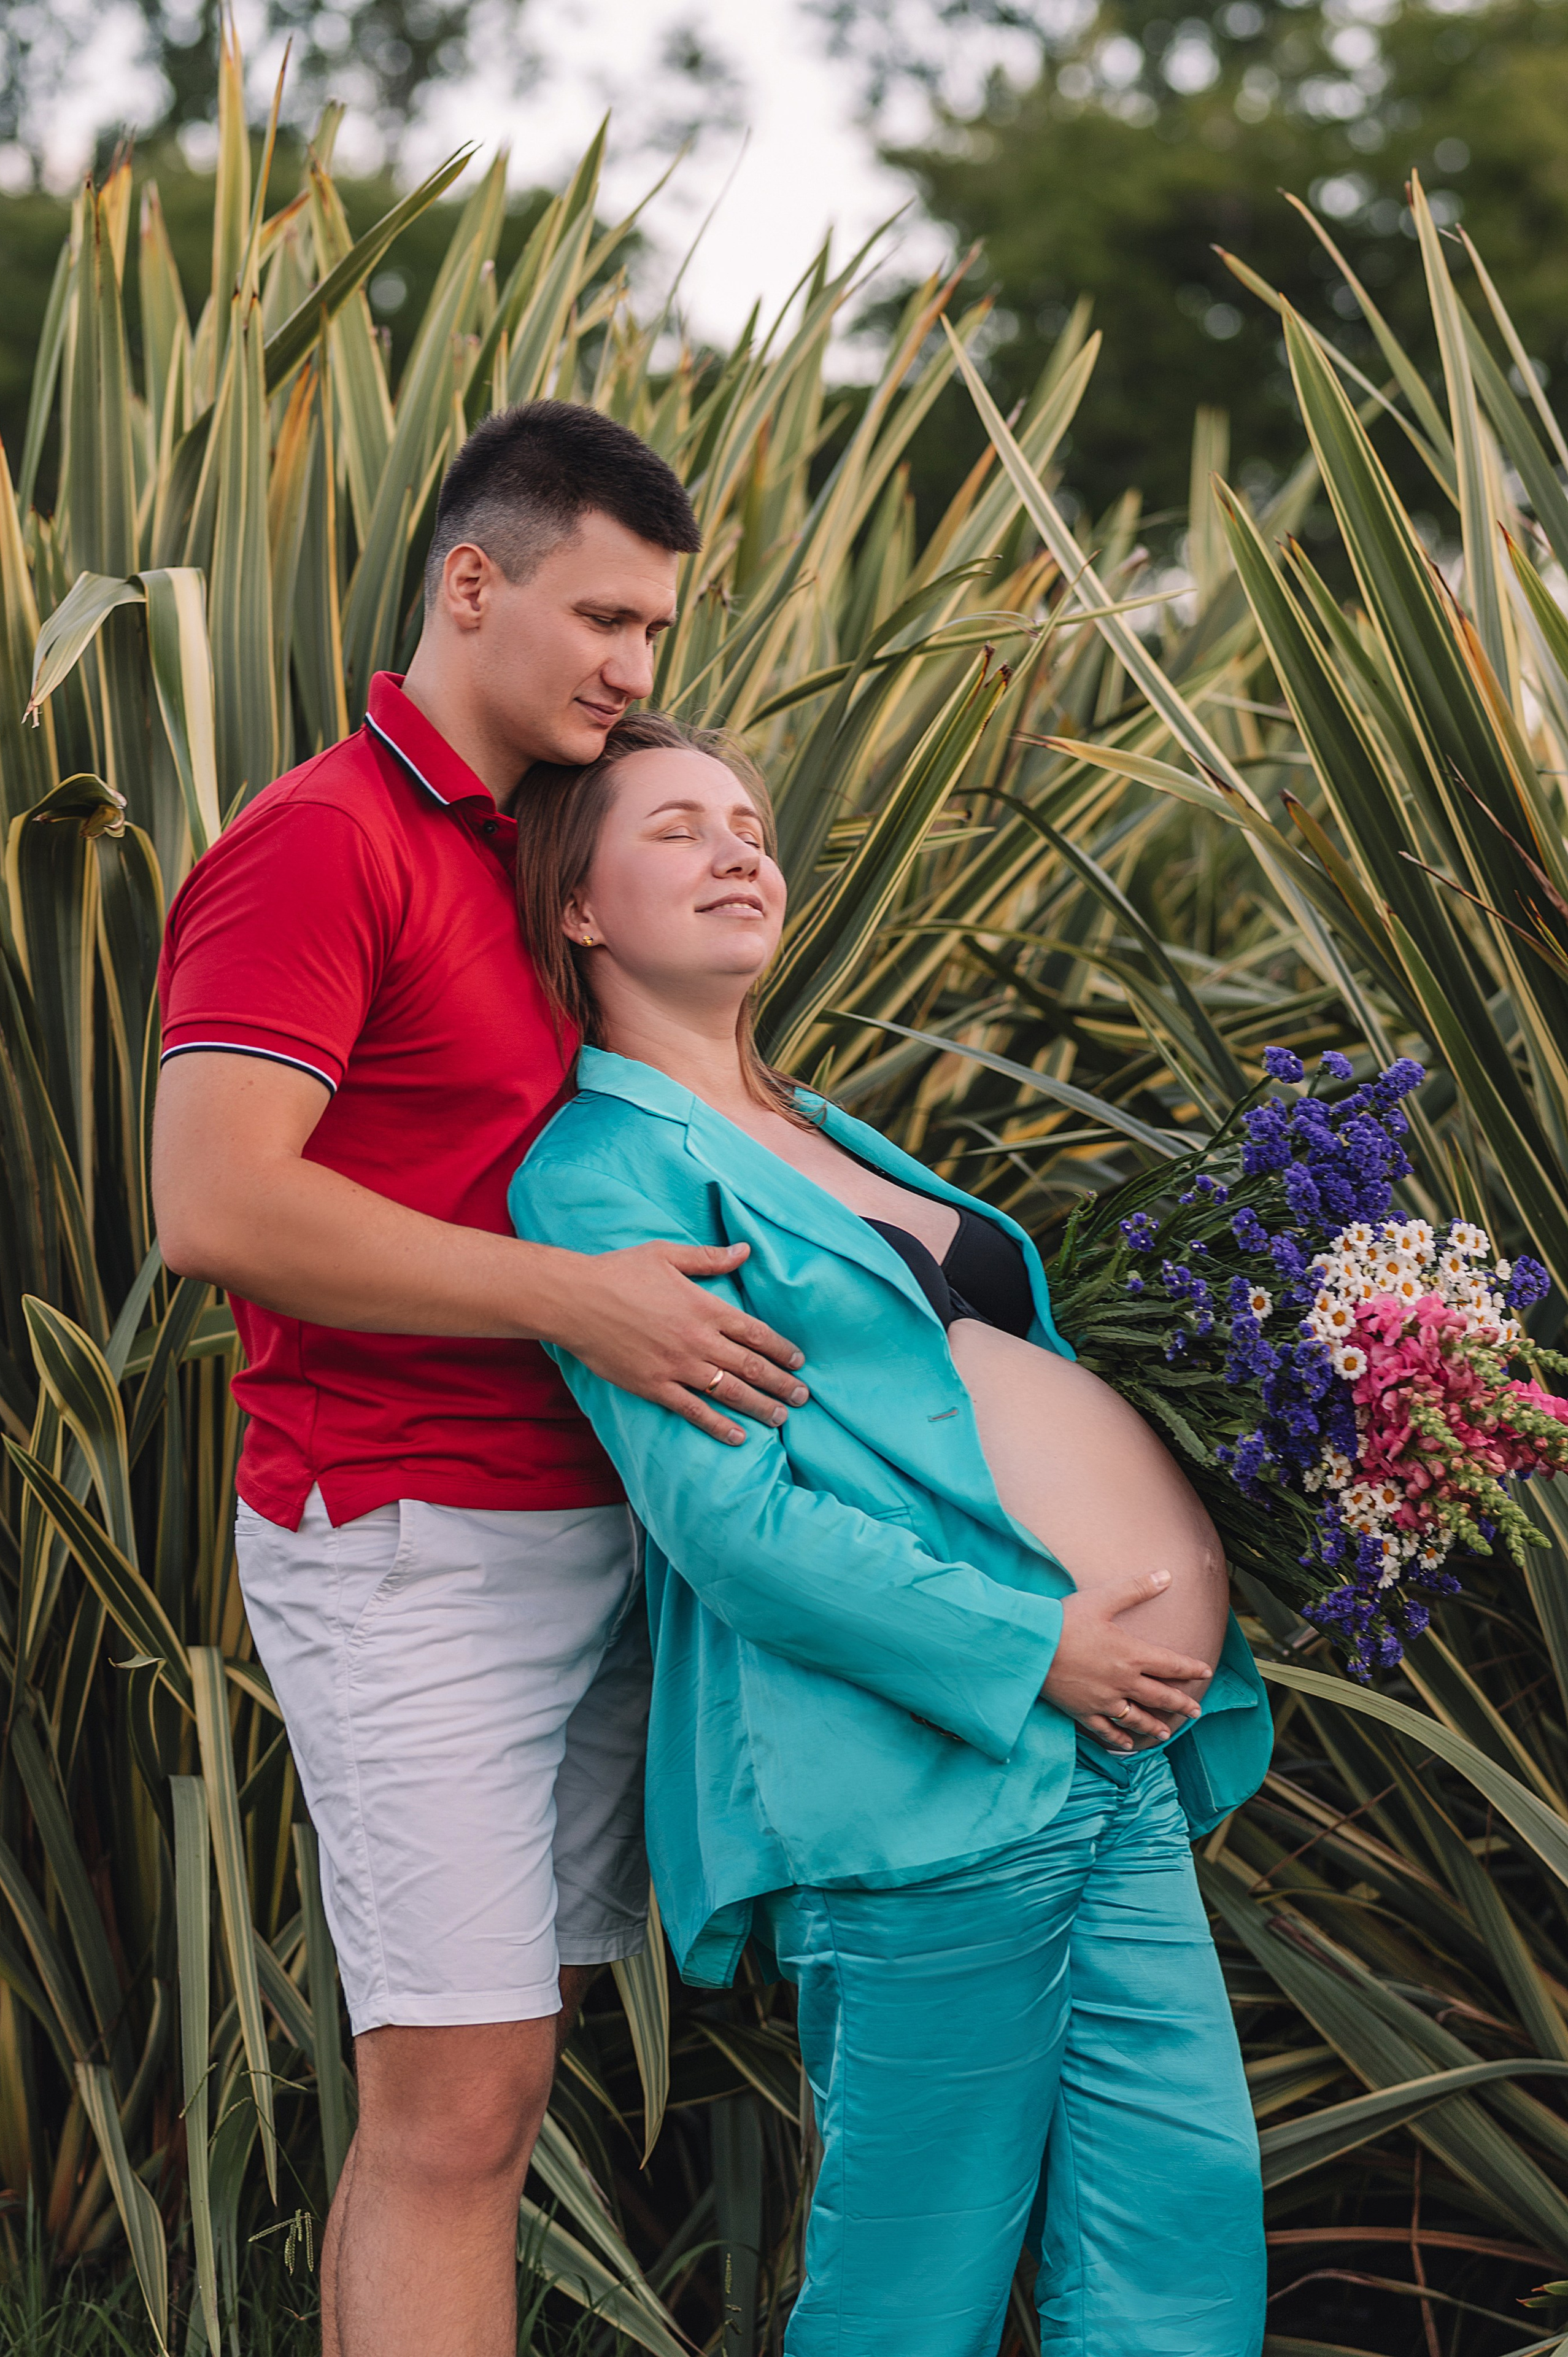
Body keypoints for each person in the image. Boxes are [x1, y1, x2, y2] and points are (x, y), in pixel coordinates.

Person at [151, 404, 812, 2357]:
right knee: (451, 2112)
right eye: (603, 615)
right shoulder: (319, 843)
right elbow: (214, 1208)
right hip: (409, 1547)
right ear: (471, 581)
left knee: (489, 2102)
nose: (633, 668)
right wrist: (575, 1302)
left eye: (657, 633)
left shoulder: (545, 854)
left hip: (589, 1538)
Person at [507, 711, 1275, 2357]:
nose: (739, 851)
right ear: (575, 905)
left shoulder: (822, 1128)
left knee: (1181, 2241)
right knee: (910, 2290)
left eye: (753, 823)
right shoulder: (602, 1170)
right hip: (924, 1778)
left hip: (1108, 1762)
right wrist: (1037, 1649)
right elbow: (735, 1526)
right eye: (678, 829)